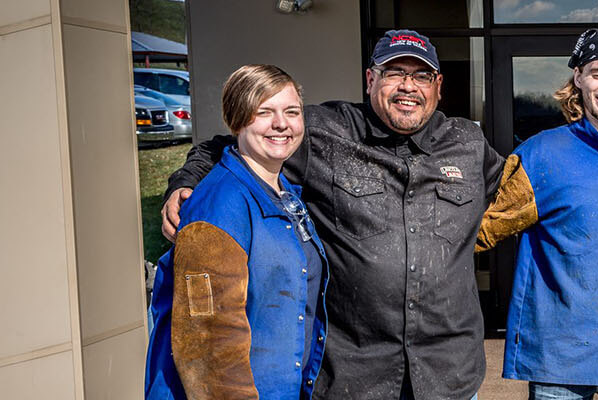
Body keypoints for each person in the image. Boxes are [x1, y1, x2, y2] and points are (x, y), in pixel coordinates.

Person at [160, 30, 504, 399]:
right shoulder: (322, 132)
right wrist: (184, 184)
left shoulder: (468, 143)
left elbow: (519, 193)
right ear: (371, 79)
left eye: (420, 75)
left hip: (449, 375)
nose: (408, 86)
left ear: (437, 85)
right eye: (394, 73)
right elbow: (230, 146)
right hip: (354, 376)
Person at [475, 28, 598, 400]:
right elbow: (482, 230)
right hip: (560, 358)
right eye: (597, 73)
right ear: (579, 79)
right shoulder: (540, 155)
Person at [145, 64, 328, 399]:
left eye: (292, 111)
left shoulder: (282, 193)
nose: (281, 124)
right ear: (237, 119)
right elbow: (208, 346)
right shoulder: (219, 206)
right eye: (264, 112)